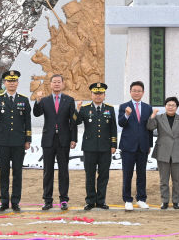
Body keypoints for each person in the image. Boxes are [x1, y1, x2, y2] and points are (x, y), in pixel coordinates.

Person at [33, 73, 77, 211]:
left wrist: (73, 138)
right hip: (48, 139)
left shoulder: (69, 100)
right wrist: (38, 101)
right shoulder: (45, 100)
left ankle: (64, 199)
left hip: (64, 139)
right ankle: (47, 200)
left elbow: (73, 121)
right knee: (48, 171)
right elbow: (36, 113)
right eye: (54, 82)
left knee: (63, 171)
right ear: (50, 84)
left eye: (59, 82)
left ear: (63, 84)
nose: (57, 84)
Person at [0, 70, 32, 212]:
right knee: (4, 172)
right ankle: (3, 201)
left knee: (17, 172)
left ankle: (15, 201)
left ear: (17, 83)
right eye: (9, 81)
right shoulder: (0, 99)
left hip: (19, 141)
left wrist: (28, 140)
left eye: (14, 81)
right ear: (5, 83)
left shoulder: (24, 99)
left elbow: (28, 121)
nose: (12, 83)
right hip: (2, 141)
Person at [75, 82, 117, 210]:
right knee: (90, 175)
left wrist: (113, 144)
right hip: (89, 147)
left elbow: (113, 128)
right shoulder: (85, 108)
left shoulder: (109, 109)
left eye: (100, 94)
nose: (98, 96)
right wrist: (77, 110)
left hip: (105, 147)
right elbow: (76, 122)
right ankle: (90, 201)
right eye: (95, 94)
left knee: (104, 175)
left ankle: (101, 201)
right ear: (91, 95)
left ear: (104, 95)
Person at [147, 96, 179, 210]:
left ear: (176, 107)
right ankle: (164, 201)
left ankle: (176, 201)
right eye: (168, 105)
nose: (171, 107)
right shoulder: (159, 118)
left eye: (173, 105)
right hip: (163, 151)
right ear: (165, 106)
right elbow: (150, 127)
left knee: (176, 180)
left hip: (177, 151)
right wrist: (153, 115)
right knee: (163, 179)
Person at [118, 81, 153, 211]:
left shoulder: (147, 108)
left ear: (143, 93)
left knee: (141, 174)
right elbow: (121, 123)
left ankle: (141, 199)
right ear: (130, 92)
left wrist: (149, 144)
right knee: (127, 174)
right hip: (128, 146)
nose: (136, 93)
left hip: (142, 146)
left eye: (139, 91)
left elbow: (149, 128)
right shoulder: (124, 106)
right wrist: (126, 114)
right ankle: (127, 199)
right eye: (134, 90)